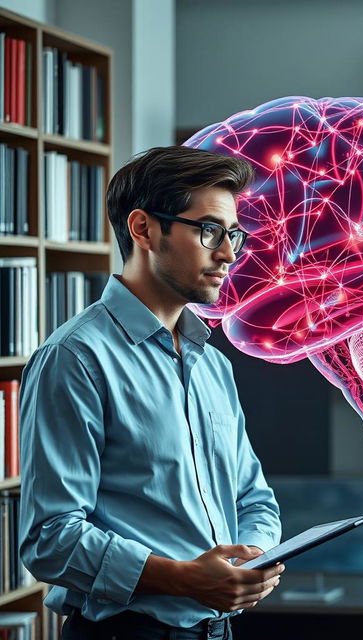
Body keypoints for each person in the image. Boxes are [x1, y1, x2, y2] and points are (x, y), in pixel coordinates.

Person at [19, 146, 283, 640]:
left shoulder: (214, 365)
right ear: (143, 230)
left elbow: (255, 499)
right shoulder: (75, 358)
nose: (227, 253)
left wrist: (252, 556)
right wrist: (182, 579)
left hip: (217, 630)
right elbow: (49, 539)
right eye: (209, 231)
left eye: (233, 235)